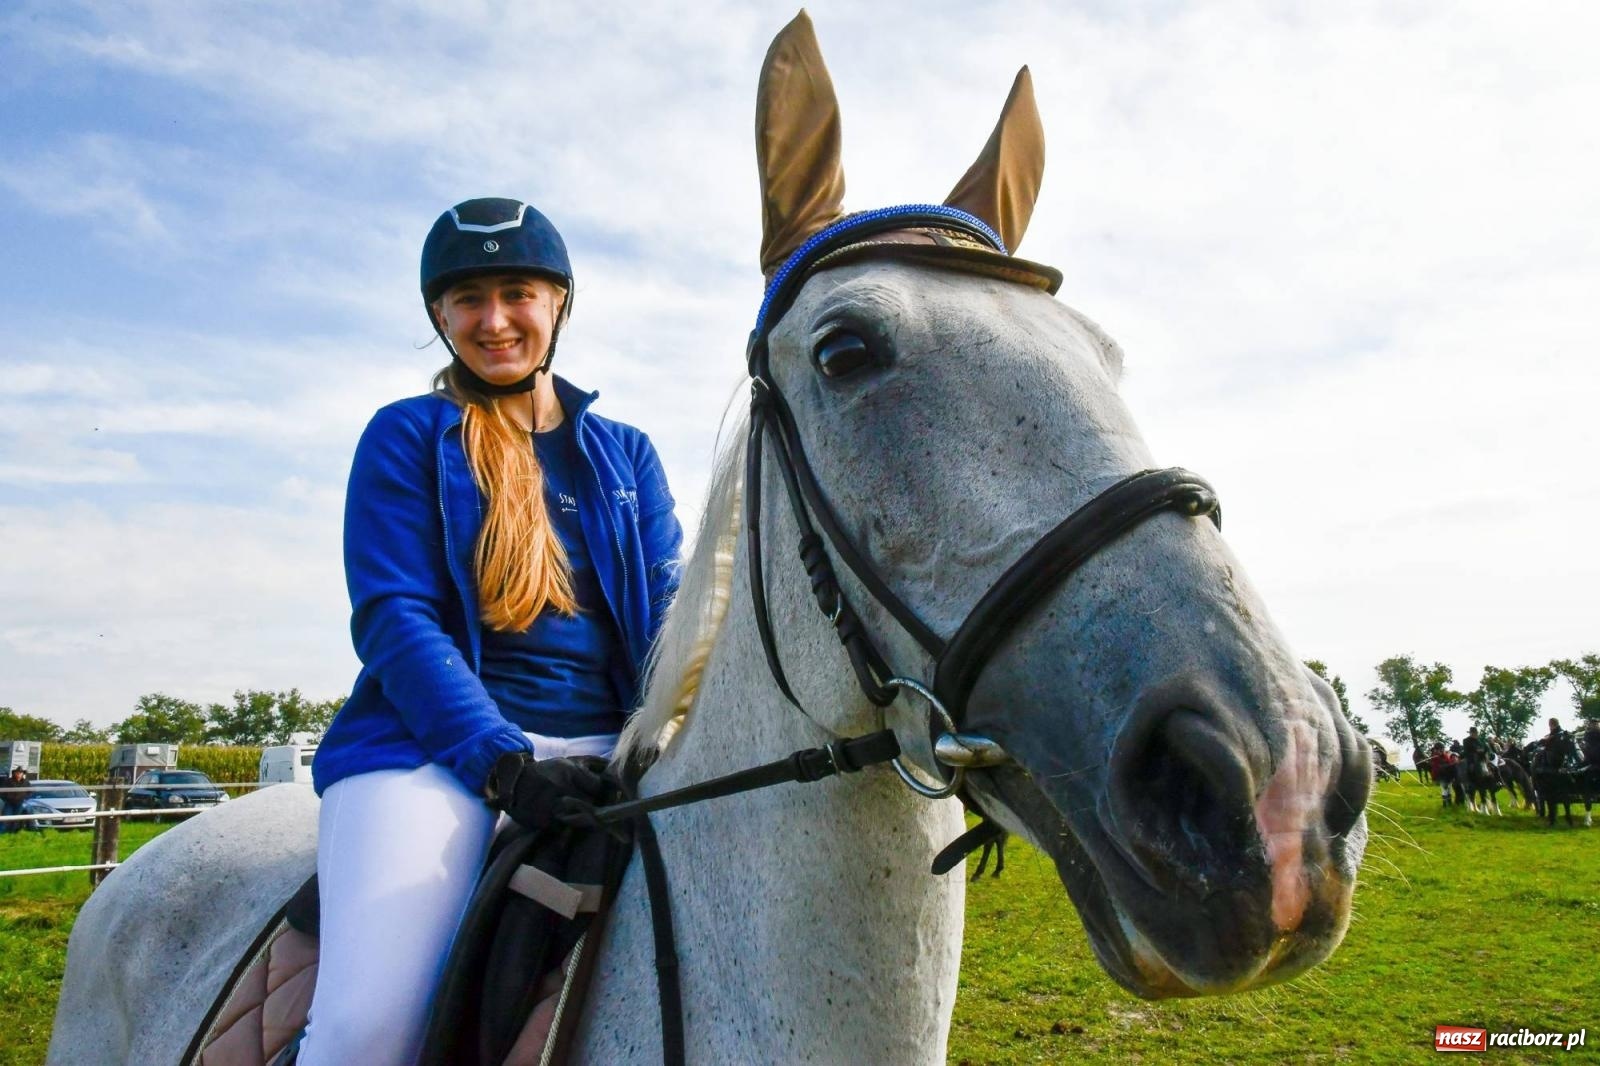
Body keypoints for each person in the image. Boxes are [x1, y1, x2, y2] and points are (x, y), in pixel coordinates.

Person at [299, 197, 683, 1066]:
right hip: (433, 757)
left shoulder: (628, 454)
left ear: (560, 304)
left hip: (609, 749)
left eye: (518, 291)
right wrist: (503, 762)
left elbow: (669, 616)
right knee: (370, 1029)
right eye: (469, 298)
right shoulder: (407, 435)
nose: (496, 318)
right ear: (441, 316)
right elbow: (395, 617)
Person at [1, 767, 31, 833]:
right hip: (9, 803)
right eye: (17, 773)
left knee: (16, 820)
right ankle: (2, 834)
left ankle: (12, 834)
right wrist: (6, 799)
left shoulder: (26, 782)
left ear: (23, 774)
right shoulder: (8, 781)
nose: (18, 774)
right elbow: (2, 792)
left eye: (20, 773)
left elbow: (30, 792)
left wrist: (24, 798)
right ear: (14, 773)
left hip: (20, 803)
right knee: (5, 819)